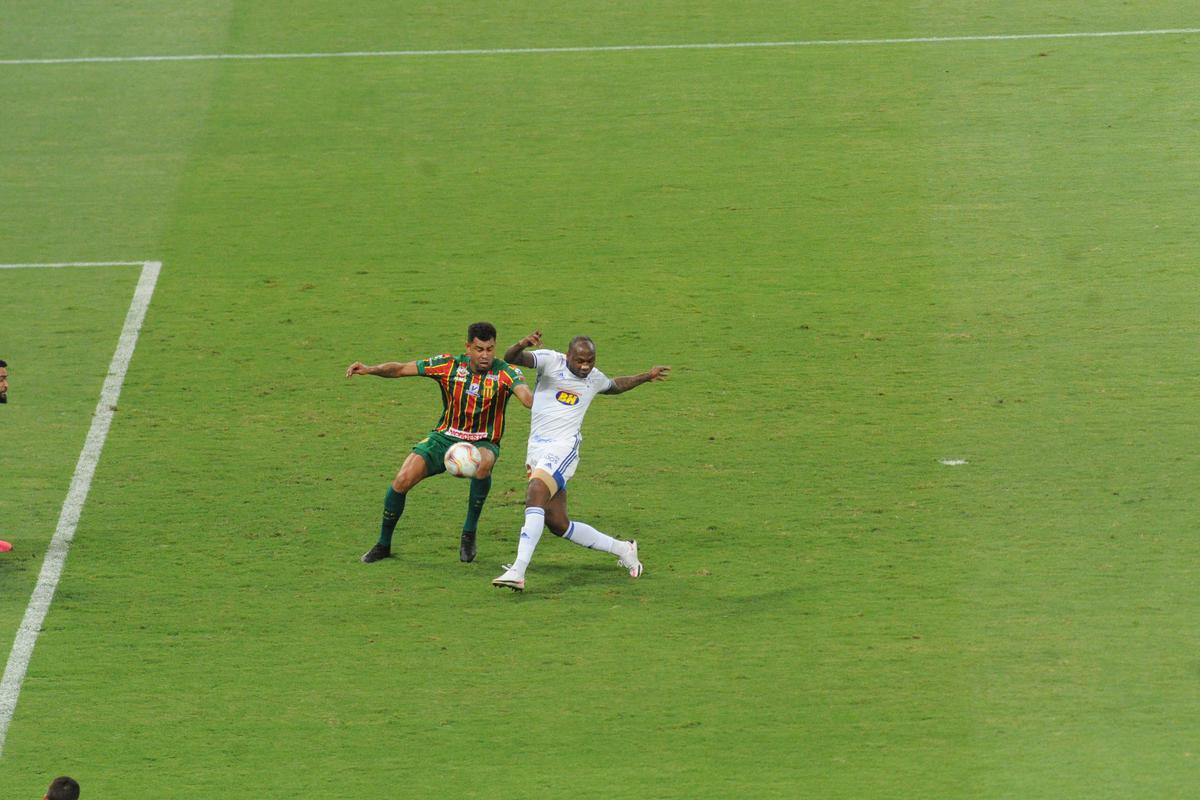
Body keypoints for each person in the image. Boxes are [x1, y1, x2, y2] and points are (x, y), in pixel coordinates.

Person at [492, 330, 670, 591]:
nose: (585, 366)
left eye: (590, 361)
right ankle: (624, 548)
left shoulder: (593, 379)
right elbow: (511, 358)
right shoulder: (550, 361)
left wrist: (646, 376)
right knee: (557, 523)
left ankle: (518, 570)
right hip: (536, 450)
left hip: (564, 448)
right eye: (580, 361)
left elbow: (616, 385)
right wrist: (522, 344)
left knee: (536, 493)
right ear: (568, 356)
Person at [347, 322, 533, 563]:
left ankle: (469, 533)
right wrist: (370, 369)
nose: (485, 355)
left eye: (490, 349)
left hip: (483, 441)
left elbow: (527, 398)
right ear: (468, 348)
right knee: (401, 480)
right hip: (445, 436)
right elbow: (402, 369)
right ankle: (383, 544)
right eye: (479, 349)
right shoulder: (449, 365)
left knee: (484, 464)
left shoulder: (506, 372)